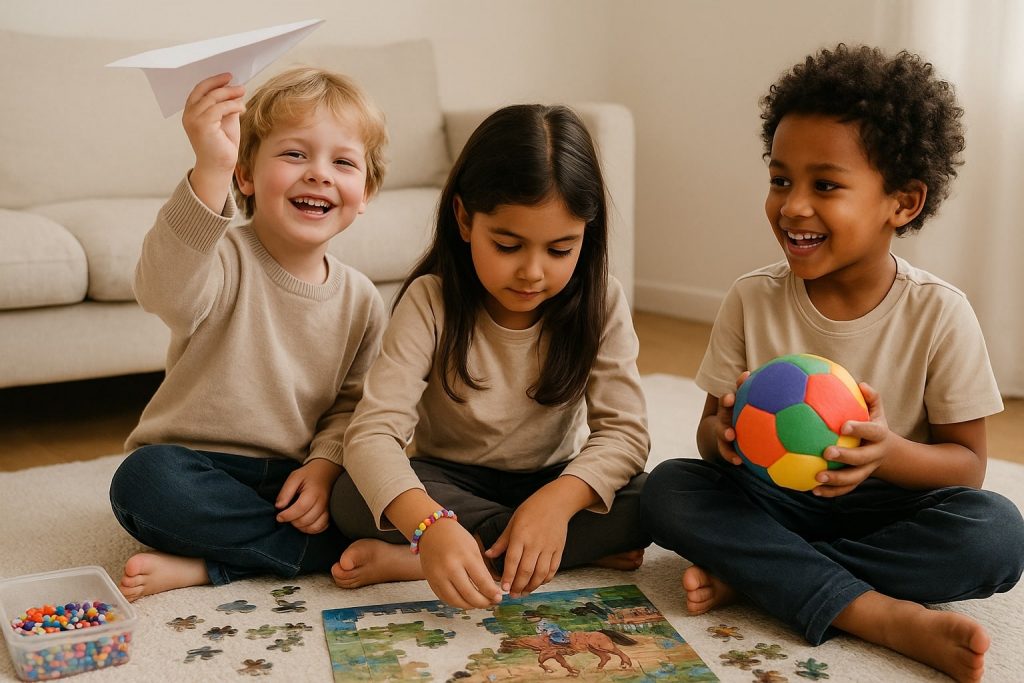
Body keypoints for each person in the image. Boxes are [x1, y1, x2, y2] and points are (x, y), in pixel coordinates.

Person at [642, 44, 1024, 683]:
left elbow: (968, 467)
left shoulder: (940, 313)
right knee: (666, 490)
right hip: (777, 496)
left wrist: (888, 455)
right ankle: (877, 612)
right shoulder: (751, 297)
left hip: (888, 507)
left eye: (825, 185)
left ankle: (767, 575)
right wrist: (726, 432)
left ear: (902, 203)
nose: (792, 206)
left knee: (996, 533)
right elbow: (710, 439)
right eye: (779, 178)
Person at [329, 104, 651, 608]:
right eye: (507, 245)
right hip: (449, 480)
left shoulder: (601, 301)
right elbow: (372, 434)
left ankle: (456, 553)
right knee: (351, 493)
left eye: (560, 250)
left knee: (654, 498)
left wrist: (556, 504)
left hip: (550, 480)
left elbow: (625, 435)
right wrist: (430, 525)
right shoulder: (429, 301)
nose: (532, 272)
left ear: (586, 235)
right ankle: (521, 550)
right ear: (463, 219)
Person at [108, 66, 389, 600]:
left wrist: (326, 465)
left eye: (344, 162)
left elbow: (355, 405)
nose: (320, 174)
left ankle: (215, 559)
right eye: (294, 154)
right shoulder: (219, 258)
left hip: (297, 475)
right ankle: (250, 563)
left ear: (366, 191)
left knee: (380, 488)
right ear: (246, 176)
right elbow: (161, 291)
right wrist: (209, 168)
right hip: (198, 464)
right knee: (143, 482)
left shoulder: (362, 298)